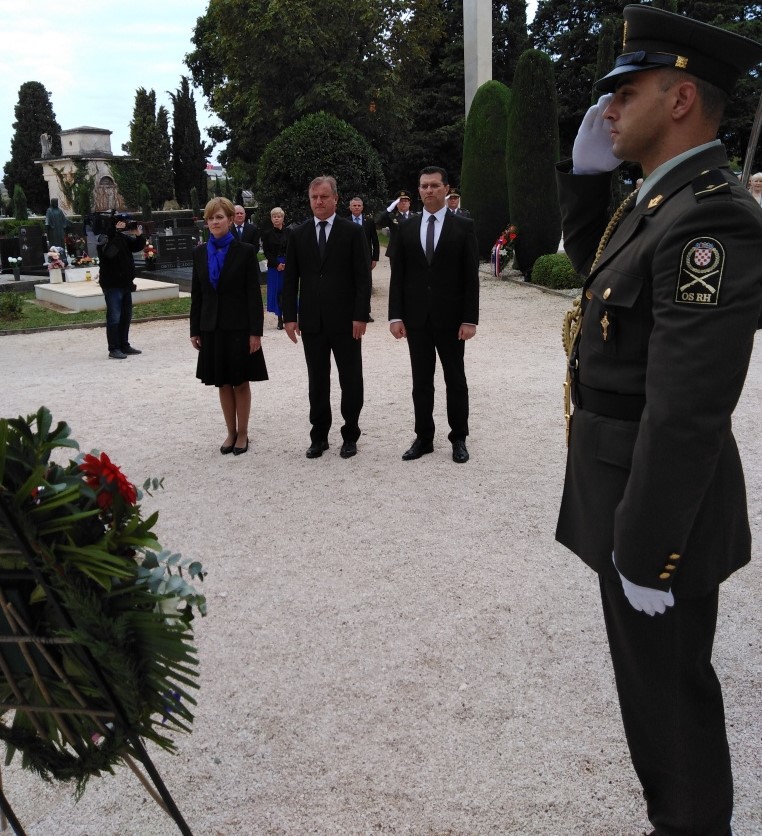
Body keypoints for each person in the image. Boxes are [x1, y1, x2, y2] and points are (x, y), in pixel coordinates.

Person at [555, 6, 762, 835]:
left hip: (658, 510)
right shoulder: (660, 203)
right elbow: (593, 274)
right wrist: (584, 177)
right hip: (627, 489)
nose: (609, 108)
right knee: (653, 705)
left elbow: (686, 412)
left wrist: (648, 550)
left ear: (680, 100)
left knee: (673, 713)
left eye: (625, 93)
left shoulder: (710, 218)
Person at [388, 165, 479, 464]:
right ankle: (424, 437)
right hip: (417, 319)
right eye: (424, 185)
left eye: (434, 185)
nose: (429, 190)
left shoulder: (463, 226)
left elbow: (470, 277)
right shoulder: (406, 228)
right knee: (421, 382)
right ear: (419, 190)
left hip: (451, 319)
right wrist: (395, 316)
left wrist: (469, 319)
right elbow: (398, 276)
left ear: (446, 189)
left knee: (456, 380)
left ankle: (459, 437)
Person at [282, 175, 371, 459]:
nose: (318, 202)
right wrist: (289, 316)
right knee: (317, 380)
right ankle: (319, 435)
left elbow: (363, 278)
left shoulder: (352, 232)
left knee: (351, 379)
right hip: (312, 321)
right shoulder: (298, 234)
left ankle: (350, 434)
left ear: (335, 198)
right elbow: (290, 279)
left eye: (323, 196)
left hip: (346, 321)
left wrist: (361, 315)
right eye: (314, 197)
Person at [190, 197, 268, 456]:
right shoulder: (199, 253)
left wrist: (256, 332)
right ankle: (230, 432)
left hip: (239, 327)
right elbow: (198, 294)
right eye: (211, 218)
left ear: (231, 219)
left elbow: (253, 295)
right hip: (211, 327)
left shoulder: (245, 251)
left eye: (219, 217)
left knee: (240, 382)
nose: (214, 222)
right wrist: (195, 329)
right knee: (222, 382)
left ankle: (243, 432)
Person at [96, 213, 146, 360]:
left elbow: (136, 246)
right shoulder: (104, 238)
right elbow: (110, 254)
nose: (125, 225)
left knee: (125, 316)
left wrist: (138, 235)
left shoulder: (122, 237)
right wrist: (117, 234)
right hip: (112, 284)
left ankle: (124, 345)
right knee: (114, 317)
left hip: (125, 283)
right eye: (122, 222)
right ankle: (114, 348)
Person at [349, 196, 379, 321]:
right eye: (354, 205)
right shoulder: (345, 221)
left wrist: (375, 258)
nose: (357, 207)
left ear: (362, 207)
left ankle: (366, 312)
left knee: (366, 284)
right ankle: (351, 310)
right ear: (350, 207)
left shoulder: (369, 221)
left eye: (359, 205)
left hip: (366, 258)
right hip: (349, 258)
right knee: (350, 284)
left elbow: (375, 241)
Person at [261, 207, 290, 329]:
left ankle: (288, 317)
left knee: (287, 291)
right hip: (274, 266)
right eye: (274, 217)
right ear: (271, 219)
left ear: (283, 218)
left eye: (279, 216)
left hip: (287, 265)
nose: (276, 219)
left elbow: (292, 249)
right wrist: (277, 264)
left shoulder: (289, 232)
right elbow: (266, 252)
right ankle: (279, 319)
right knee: (277, 291)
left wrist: (287, 263)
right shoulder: (267, 234)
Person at [375, 190, 414, 260]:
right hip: (396, 252)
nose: (403, 203)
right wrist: (389, 209)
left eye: (406, 201)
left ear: (409, 203)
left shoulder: (415, 217)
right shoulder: (391, 216)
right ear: (396, 204)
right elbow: (378, 223)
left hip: (412, 251)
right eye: (401, 201)